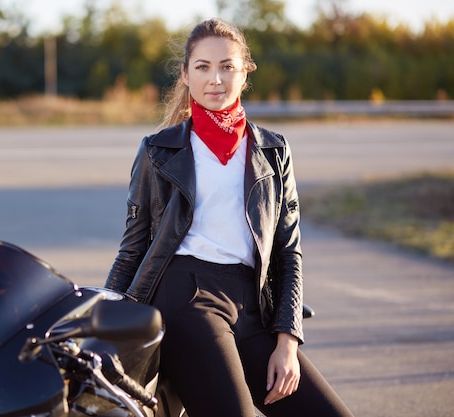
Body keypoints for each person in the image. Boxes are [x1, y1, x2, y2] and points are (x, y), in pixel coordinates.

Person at [104, 17, 354, 417]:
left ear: (245, 72)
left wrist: (288, 339)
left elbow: (289, 251)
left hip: (253, 304)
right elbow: (133, 246)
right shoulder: (158, 149)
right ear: (185, 74)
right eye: (202, 67)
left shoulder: (273, 149)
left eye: (227, 66)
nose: (215, 79)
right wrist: (105, 320)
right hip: (186, 297)